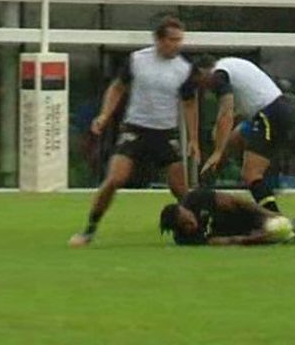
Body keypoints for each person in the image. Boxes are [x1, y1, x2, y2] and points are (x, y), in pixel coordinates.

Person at [69, 17, 200, 247]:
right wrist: (104, 115)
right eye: (172, 40)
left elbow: (189, 104)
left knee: (181, 190)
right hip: (135, 129)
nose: (177, 44)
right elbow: (117, 88)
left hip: (165, 133)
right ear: (158, 40)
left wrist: (194, 139)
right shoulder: (137, 60)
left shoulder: (184, 68)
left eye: (180, 40)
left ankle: (199, 231)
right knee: (114, 180)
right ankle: (89, 230)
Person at [188, 56, 295, 213]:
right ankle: (209, 188)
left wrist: (217, 152)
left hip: (270, 115)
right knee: (233, 139)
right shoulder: (230, 64)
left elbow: (226, 112)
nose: (205, 88)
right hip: (274, 111)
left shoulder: (219, 75)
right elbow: (245, 103)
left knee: (250, 174)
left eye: (201, 83)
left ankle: (275, 219)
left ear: (202, 71)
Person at [159, 188, 295, 245]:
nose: (190, 226)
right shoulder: (186, 238)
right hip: (243, 233)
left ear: (184, 209)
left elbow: (237, 201)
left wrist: (268, 214)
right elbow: (228, 241)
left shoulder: (197, 198)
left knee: (294, 223)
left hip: (246, 217)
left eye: (187, 221)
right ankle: (290, 239)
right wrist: (258, 238)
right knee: (279, 236)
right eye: (184, 227)